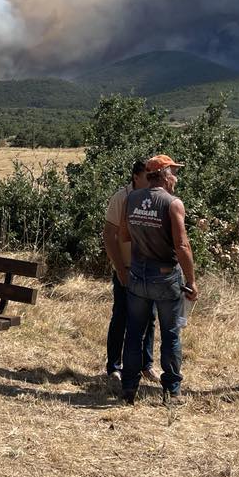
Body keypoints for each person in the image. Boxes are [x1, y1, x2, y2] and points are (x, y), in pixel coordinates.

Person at [118, 154, 199, 404]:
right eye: (174, 172)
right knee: (171, 334)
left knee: (134, 333)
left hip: (138, 274)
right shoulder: (173, 203)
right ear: (164, 175)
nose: (176, 177)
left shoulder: (131, 198)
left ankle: (129, 388)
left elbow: (123, 234)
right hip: (165, 276)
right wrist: (191, 280)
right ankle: (172, 391)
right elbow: (182, 245)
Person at [102, 160, 158, 383]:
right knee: (121, 316)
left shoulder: (155, 197)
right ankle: (114, 366)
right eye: (148, 175)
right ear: (136, 176)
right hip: (126, 268)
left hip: (149, 270)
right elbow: (109, 235)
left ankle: (146, 365)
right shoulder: (121, 198)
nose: (152, 179)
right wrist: (119, 268)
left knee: (150, 319)